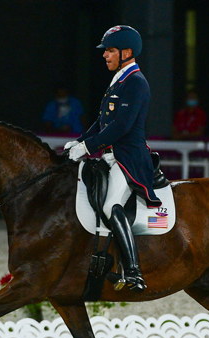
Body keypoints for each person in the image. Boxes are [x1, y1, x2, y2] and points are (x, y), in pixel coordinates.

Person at [64, 25, 161, 292]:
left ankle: (134, 272)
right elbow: (102, 121)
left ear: (126, 52)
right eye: (105, 51)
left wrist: (87, 149)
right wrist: (82, 141)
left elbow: (121, 127)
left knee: (110, 206)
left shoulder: (136, 82)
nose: (105, 55)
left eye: (110, 50)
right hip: (111, 155)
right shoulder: (119, 79)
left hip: (128, 158)